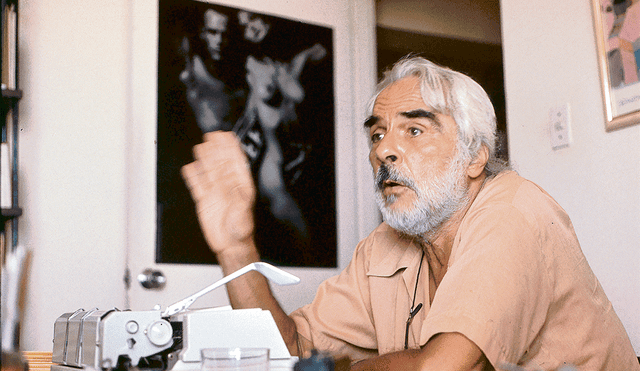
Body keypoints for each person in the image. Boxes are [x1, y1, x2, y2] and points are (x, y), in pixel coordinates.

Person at [181, 56, 640, 370]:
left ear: (475, 157)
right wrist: (236, 246)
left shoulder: (514, 210)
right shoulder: (384, 247)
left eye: (414, 129)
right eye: (377, 134)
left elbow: (446, 366)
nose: (385, 151)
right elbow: (288, 351)